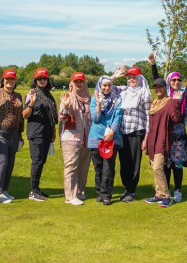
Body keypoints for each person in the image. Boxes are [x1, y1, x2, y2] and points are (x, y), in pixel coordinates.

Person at [148, 52, 187, 203]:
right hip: (165, 132)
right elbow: (157, 81)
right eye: (173, 79)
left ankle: (178, 191)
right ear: (169, 82)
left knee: (177, 164)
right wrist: (153, 64)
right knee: (164, 164)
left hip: (178, 133)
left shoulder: (182, 94)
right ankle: (163, 191)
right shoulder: (165, 96)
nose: (176, 82)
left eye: (178, 80)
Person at [110, 66, 151, 202]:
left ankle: (131, 190)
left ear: (139, 78)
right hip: (123, 132)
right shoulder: (124, 91)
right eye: (129, 78)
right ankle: (126, 188)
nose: (132, 80)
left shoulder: (144, 93)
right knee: (124, 162)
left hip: (137, 132)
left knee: (134, 162)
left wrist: (146, 137)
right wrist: (114, 77)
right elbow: (105, 87)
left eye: (134, 77)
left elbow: (148, 116)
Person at [0, 69, 24, 204]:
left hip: (13, 133)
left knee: (10, 163)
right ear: (3, 80)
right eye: (7, 79)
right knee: (2, 162)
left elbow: (20, 117)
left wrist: (20, 134)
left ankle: (4, 190)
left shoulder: (17, 95)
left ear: (15, 80)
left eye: (12, 79)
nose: (9, 81)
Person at [145, 78, 183, 208]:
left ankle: (166, 196)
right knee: (153, 167)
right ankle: (158, 194)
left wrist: (177, 103)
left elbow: (177, 118)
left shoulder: (170, 102)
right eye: (155, 87)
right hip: (152, 139)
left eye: (160, 87)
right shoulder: (154, 103)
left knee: (158, 167)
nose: (158, 90)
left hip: (162, 138)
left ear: (165, 88)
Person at [23, 68, 58, 202]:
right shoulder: (32, 94)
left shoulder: (48, 95)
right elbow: (25, 115)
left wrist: (53, 131)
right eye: (39, 79)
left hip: (47, 133)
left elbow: (52, 116)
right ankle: (33, 191)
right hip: (36, 132)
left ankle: (37, 188)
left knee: (42, 161)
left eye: (44, 78)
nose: (42, 81)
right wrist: (31, 104)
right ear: (36, 80)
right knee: (37, 161)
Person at [87, 76, 122, 205]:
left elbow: (117, 117)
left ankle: (106, 195)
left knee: (108, 167)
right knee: (98, 167)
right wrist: (99, 103)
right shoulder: (94, 98)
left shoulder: (117, 99)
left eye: (109, 85)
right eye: (104, 85)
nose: (107, 88)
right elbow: (95, 119)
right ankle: (99, 193)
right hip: (96, 137)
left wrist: (112, 132)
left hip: (111, 138)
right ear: (100, 86)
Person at [59, 72, 91, 206]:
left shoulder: (88, 98)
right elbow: (62, 118)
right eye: (76, 82)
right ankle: (70, 196)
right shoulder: (67, 97)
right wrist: (65, 107)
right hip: (70, 138)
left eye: (80, 82)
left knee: (83, 167)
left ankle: (79, 191)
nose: (78, 84)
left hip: (86, 137)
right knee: (71, 166)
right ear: (71, 83)